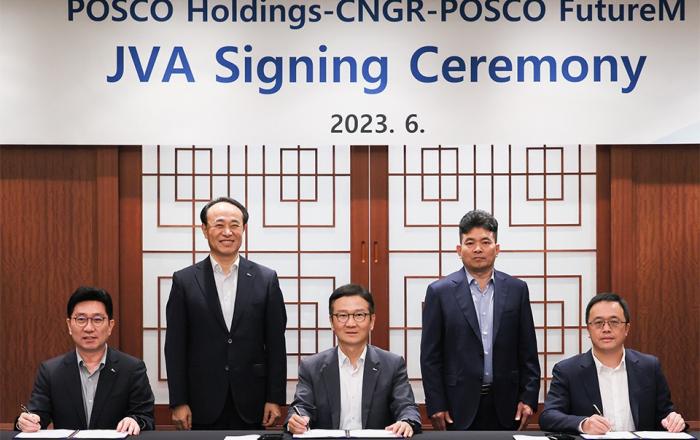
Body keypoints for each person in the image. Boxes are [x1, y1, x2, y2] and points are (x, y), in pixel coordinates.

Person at [165, 196, 287, 430]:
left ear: (244, 229)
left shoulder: (266, 279)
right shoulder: (184, 280)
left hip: (253, 399)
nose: (227, 232)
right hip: (201, 400)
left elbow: (275, 343)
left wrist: (275, 397)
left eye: (234, 225)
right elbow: (175, 346)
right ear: (204, 229)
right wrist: (178, 401)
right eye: (219, 225)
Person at [420, 209, 540, 430]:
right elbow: (430, 357)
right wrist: (436, 404)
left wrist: (529, 398)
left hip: (508, 404)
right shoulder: (439, 292)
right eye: (470, 242)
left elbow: (528, 352)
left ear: (497, 249)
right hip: (456, 406)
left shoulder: (517, 290)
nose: (478, 249)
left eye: (485, 242)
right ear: (459, 250)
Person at [539, 293, 687, 434]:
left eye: (614, 322)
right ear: (588, 330)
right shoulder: (568, 371)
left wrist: (672, 420)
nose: (606, 329)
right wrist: (584, 424)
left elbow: (665, 414)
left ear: (627, 328)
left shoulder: (649, 367)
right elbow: (548, 416)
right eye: (598, 323)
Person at [285, 284, 421, 437]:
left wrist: (406, 421)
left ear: (372, 321)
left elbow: (406, 406)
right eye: (342, 316)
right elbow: (301, 407)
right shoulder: (311, 366)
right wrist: (297, 420)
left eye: (359, 315)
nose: (351, 323)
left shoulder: (392, 364)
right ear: (332, 322)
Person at [15, 287, 154, 435]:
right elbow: (36, 415)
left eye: (97, 319)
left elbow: (146, 418)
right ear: (69, 325)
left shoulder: (132, 369)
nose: (89, 328)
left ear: (110, 326)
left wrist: (135, 421)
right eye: (81, 319)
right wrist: (25, 422)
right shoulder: (51, 371)